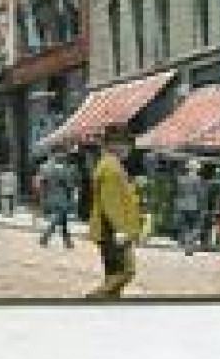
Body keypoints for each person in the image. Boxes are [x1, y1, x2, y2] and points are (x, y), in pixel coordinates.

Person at [87, 124, 143, 298]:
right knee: (125, 271)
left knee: (113, 276)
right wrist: (122, 230)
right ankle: (91, 301)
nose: (129, 149)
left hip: (109, 230)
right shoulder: (111, 168)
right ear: (115, 145)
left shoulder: (110, 165)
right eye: (127, 144)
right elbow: (111, 203)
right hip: (111, 231)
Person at [38, 154, 77, 249]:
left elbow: (43, 183)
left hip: (51, 195)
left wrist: (44, 197)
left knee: (64, 221)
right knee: (58, 218)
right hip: (62, 196)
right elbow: (69, 184)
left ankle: (67, 241)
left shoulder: (46, 168)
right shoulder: (63, 169)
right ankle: (45, 237)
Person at [175, 160, 208, 256]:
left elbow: (178, 194)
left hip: (182, 205)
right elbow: (201, 195)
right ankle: (190, 244)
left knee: (185, 227)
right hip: (194, 206)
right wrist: (203, 207)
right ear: (197, 169)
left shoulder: (181, 179)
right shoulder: (198, 180)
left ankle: (188, 244)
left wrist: (177, 206)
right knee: (195, 226)